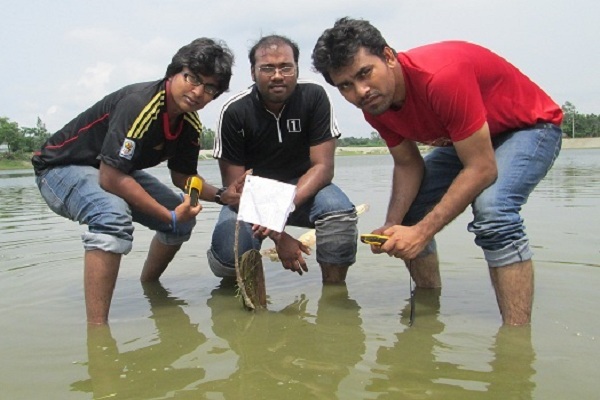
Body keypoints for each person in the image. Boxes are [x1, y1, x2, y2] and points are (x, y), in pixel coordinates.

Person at [311, 18, 563, 325]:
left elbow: (482, 167)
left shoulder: (440, 77)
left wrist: (422, 233)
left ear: (389, 57)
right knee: (409, 215)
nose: (360, 91)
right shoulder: (375, 104)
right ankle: (430, 309)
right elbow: (407, 164)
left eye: (365, 73)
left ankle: (516, 341)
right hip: (465, 141)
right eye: (345, 86)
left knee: (493, 211)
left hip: (527, 128)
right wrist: (394, 223)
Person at [32, 38, 245, 325]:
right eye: (192, 78)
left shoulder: (189, 123)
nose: (198, 92)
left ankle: (150, 287)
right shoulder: (141, 103)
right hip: (60, 167)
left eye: (209, 88)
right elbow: (110, 177)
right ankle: (98, 333)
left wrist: (222, 195)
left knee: (182, 223)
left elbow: (183, 177)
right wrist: (168, 215)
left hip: (107, 168)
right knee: (111, 215)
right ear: (173, 73)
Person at [208, 35, 358, 284]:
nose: (277, 76)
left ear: (297, 69)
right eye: (267, 68)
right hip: (250, 197)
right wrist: (280, 236)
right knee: (228, 256)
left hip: (302, 189)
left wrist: (281, 210)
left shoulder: (314, 97)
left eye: (286, 67)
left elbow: (323, 168)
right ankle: (245, 299)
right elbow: (237, 191)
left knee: (339, 215)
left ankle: (334, 294)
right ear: (253, 72)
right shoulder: (234, 112)